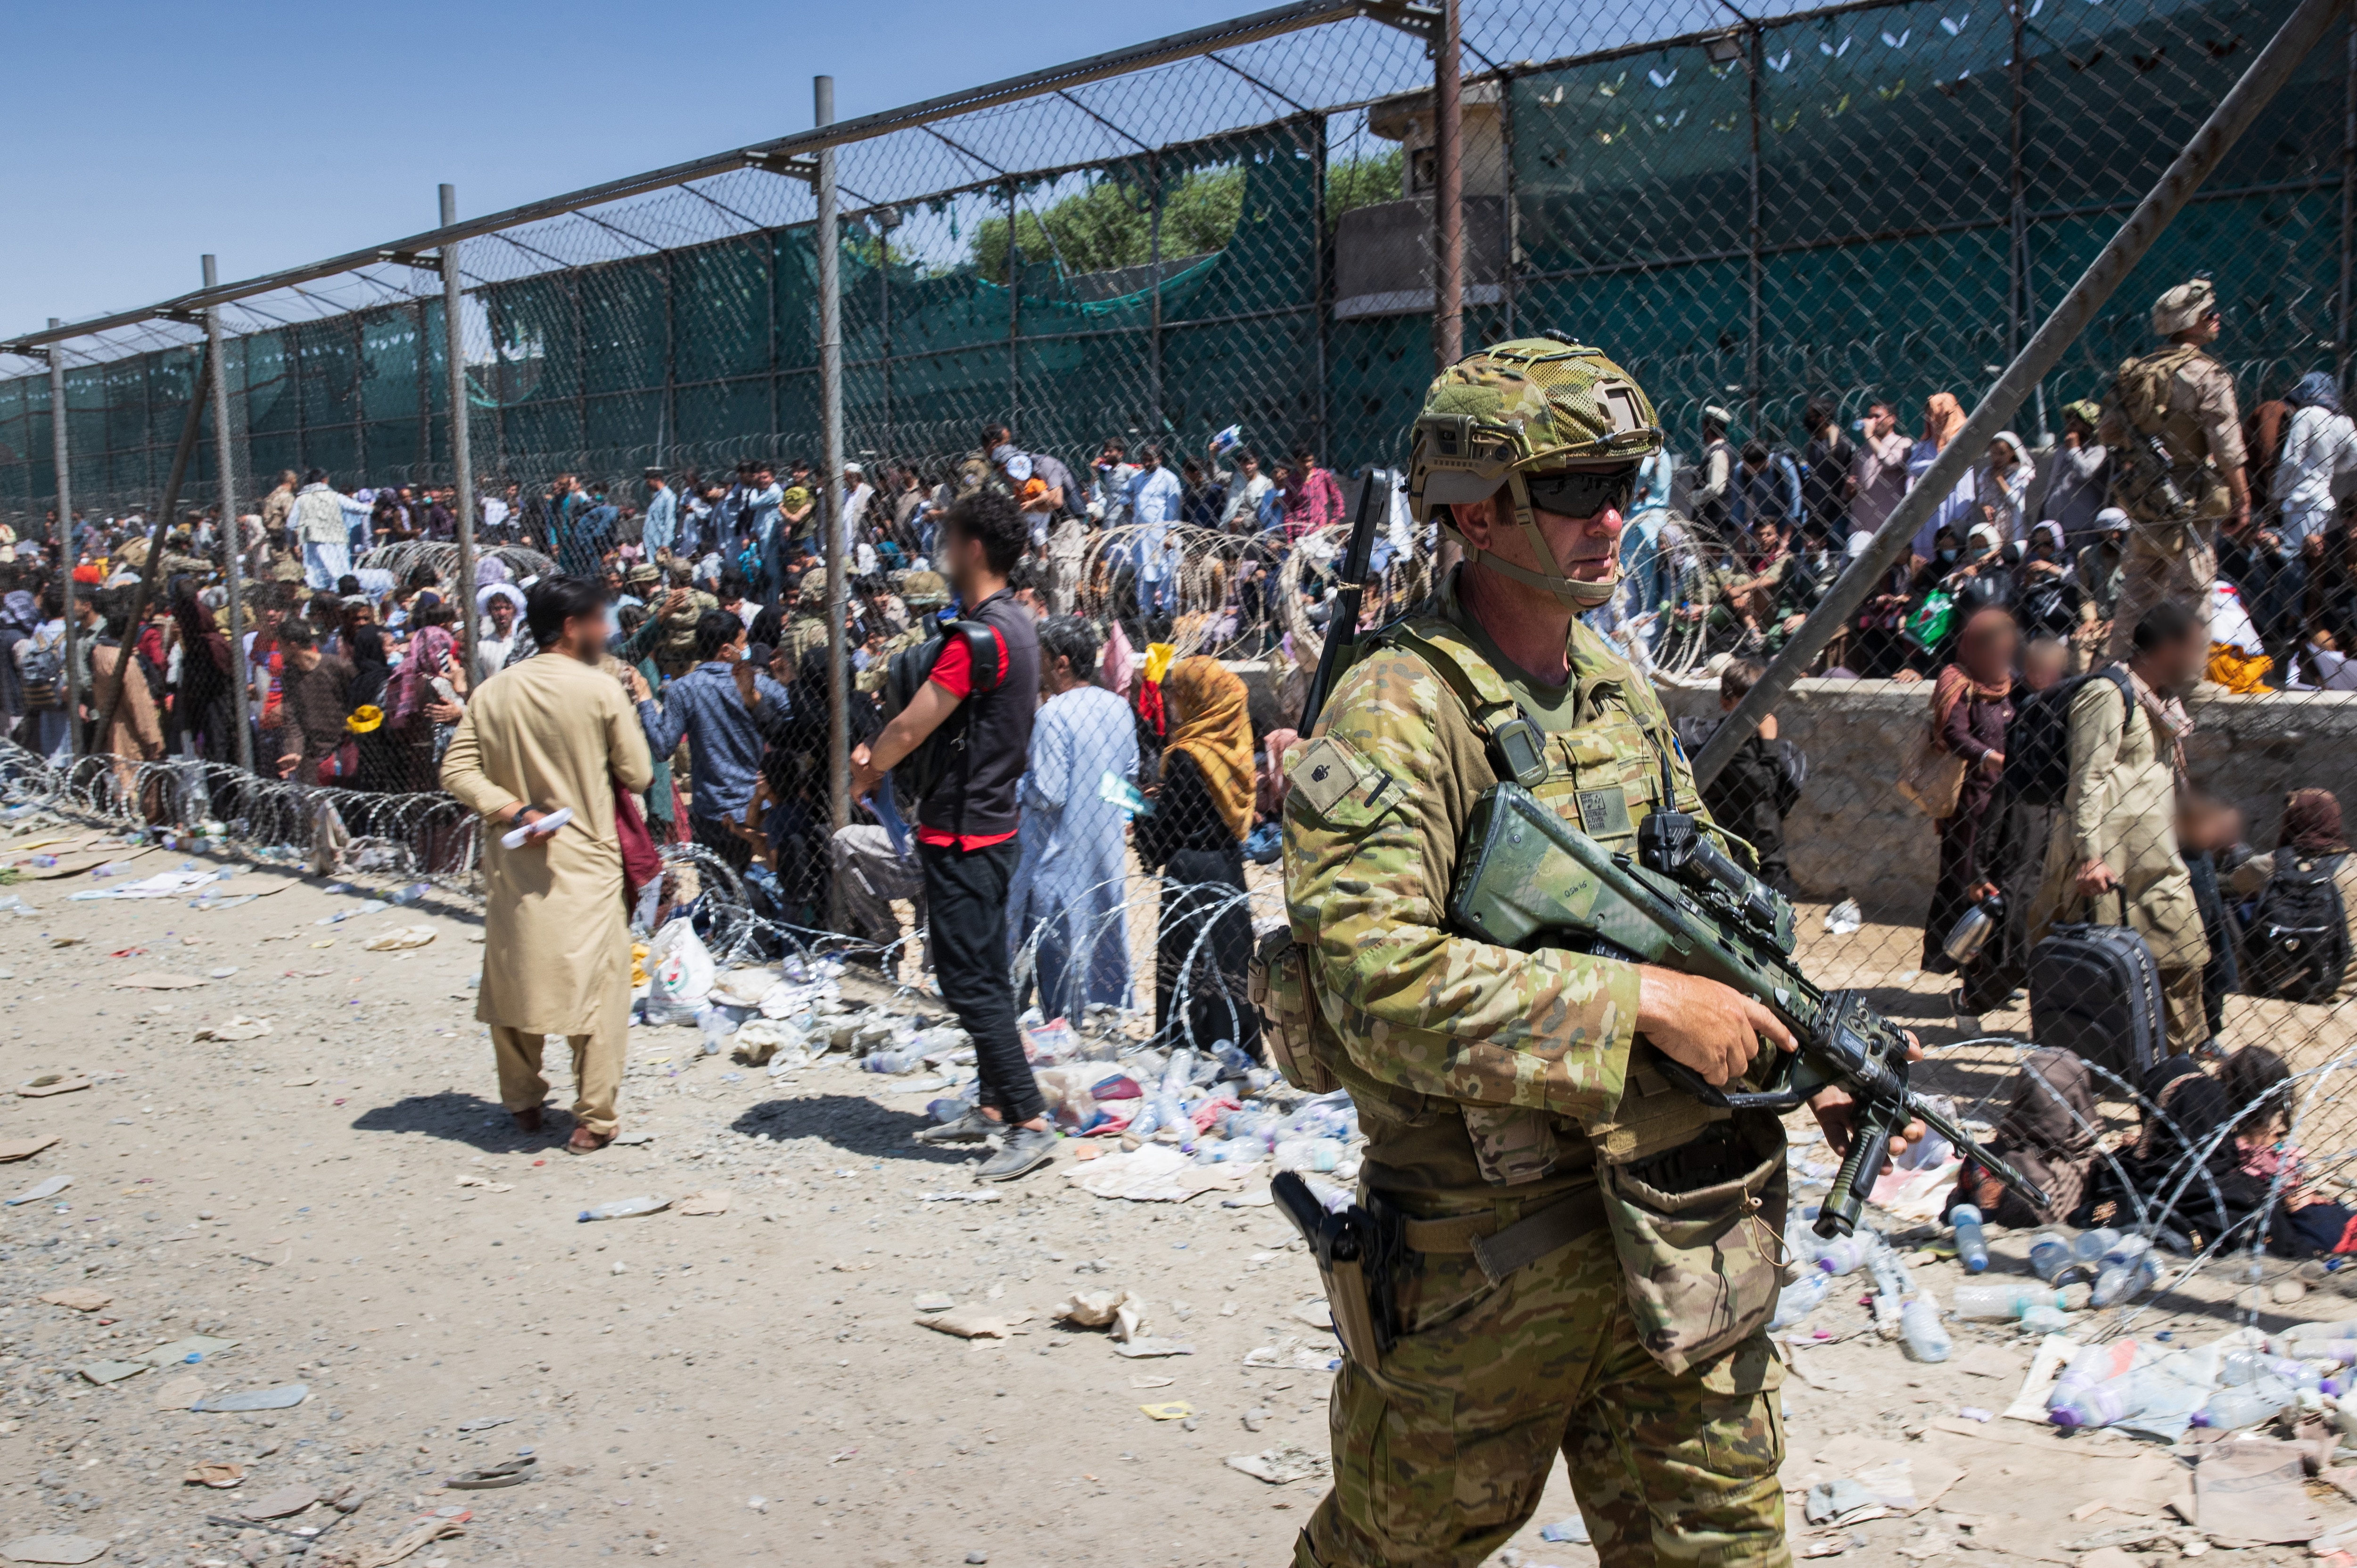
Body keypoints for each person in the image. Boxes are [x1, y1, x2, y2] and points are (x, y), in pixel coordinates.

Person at [1280, 337, 1902, 1566]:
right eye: (1572, 488)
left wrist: (1808, 1039)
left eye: (1627, 478)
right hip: (1487, 1264)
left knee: (1718, 1543)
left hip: (1678, 1228)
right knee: (1395, 1546)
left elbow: (1695, 919)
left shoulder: (1615, 690)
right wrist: (1639, 1007)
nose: (1611, 515)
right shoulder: (1398, 710)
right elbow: (1374, 987)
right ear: (1472, 505)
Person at [849, 489, 1049, 1182]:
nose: (941, 553)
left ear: (971, 548)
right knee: (983, 972)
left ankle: (1027, 1117)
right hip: (992, 826)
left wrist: (868, 769)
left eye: (948, 539)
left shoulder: (977, 639)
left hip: (965, 832)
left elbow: (912, 725)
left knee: (969, 982)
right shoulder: (1016, 624)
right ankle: (994, 1106)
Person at [440, 576, 653, 1155]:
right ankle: (594, 1119)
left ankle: (524, 1103)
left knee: (513, 977)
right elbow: (639, 774)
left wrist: (513, 809)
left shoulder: (493, 692)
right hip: (587, 862)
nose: (607, 631)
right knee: (598, 990)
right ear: (571, 627)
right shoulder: (601, 689)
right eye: (599, 620)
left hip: (517, 861)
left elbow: (456, 771)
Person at [2029, 599, 2214, 1051]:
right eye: (2193, 649)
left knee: (2186, 956)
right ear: (2168, 647)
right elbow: (2086, 781)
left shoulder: (2163, 702)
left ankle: (2177, 1061)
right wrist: (2089, 856)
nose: (2199, 660)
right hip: (2110, 867)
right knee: (2103, 967)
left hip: (2156, 862)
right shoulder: (2109, 695)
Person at [2100, 279, 2250, 660]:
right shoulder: (2206, 374)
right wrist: (2242, 497)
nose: (2217, 319)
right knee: (2193, 587)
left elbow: (2109, 431)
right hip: (2194, 492)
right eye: (2209, 314)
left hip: (2146, 494)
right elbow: (2226, 445)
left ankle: (2119, 666)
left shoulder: (2139, 372)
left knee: (2139, 586)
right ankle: (2189, 677)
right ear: (2191, 322)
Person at [1008, 615, 1137, 1024]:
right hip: (1103, 846)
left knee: (1053, 946)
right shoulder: (1118, 708)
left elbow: (1048, 792)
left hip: (1055, 853)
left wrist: (1009, 789)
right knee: (1099, 935)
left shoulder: (1054, 715)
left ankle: (1058, 1027)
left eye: (1041, 659)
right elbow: (1126, 780)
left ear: (1061, 663)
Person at [1134, 655, 1260, 1060]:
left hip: (1189, 871)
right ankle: (1236, 1045)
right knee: (1229, 961)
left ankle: (1182, 1044)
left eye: (1177, 691)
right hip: (1226, 867)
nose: (1171, 700)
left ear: (1195, 697)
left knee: (1183, 962)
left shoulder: (1189, 755)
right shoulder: (1233, 748)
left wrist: (1142, 822)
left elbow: (1169, 829)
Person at [1955, 635, 2070, 1013]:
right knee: (2010, 932)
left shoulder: (2066, 704)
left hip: (2052, 820)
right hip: (2021, 819)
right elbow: (1992, 824)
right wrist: (1980, 871)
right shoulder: (2024, 710)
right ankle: (1974, 997)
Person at [633, 608, 793, 874]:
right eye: (743, 643)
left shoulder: (683, 690)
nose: (747, 649)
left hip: (712, 811)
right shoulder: (759, 685)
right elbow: (794, 724)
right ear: (726, 650)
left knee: (721, 884)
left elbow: (662, 748)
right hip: (760, 806)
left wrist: (644, 701)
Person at [1922, 605, 2018, 972]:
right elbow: (1954, 735)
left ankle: (1990, 966)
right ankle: (1947, 959)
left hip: (2006, 799)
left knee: (2001, 878)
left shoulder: (2012, 682)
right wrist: (1995, 759)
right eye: (1996, 647)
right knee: (1962, 879)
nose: (2003, 654)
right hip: (1971, 801)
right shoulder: (1957, 680)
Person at [2228, 787, 2357, 1003]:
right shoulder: (2352, 868)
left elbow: (2234, 882)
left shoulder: (2270, 864)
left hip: (2273, 984)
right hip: (2344, 988)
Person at [1946, 1047, 2097, 1229]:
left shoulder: (1986, 1161)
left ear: (2022, 1093)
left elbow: (1951, 1214)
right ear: (2081, 1099)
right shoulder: (2094, 1169)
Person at [1686, 659, 1801, 897]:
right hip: (1737, 855)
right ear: (1726, 704)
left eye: (1766, 702)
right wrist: (1770, 742)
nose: (1761, 712)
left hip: (1766, 855)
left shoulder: (1759, 744)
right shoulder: (1726, 743)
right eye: (1751, 705)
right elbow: (1765, 787)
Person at [2271, 371, 2357, 546]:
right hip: (2323, 501)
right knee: (2312, 557)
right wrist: (2331, 466)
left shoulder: (2307, 415)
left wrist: (2277, 493)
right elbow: (2355, 456)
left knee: (2294, 558)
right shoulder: (2344, 421)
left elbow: (2292, 459)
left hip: (2301, 500)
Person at [263, 618, 354, 782]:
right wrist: (294, 752)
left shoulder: (338, 668)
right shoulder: (290, 677)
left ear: (293, 646)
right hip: (313, 757)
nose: (278, 652)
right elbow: (293, 721)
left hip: (344, 750)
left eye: (280, 646)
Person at [1906, 393, 1978, 558]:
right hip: (1931, 504)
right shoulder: (1926, 444)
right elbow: (1912, 467)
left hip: (1955, 501)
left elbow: (1959, 471)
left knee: (1954, 542)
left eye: (1935, 416)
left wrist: (1936, 467)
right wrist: (1940, 464)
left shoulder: (1963, 440)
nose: (1932, 422)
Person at [2041, 401, 2110, 547]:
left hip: (2081, 525)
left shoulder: (2098, 451)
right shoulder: (2062, 451)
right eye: (2068, 423)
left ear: (2088, 425)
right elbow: (2053, 483)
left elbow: (2085, 474)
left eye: (2074, 424)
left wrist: (2074, 450)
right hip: (2056, 524)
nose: (2068, 429)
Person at [288, 470, 371, 590]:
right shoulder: (335, 497)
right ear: (325, 480)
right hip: (337, 542)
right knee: (340, 574)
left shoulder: (301, 500)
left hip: (313, 544)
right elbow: (358, 509)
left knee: (318, 578)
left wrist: (294, 543)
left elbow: (291, 524)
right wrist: (374, 507)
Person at [1849, 401, 1911, 555]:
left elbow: (1891, 462)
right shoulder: (1863, 451)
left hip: (1890, 525)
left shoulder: (1903, 443)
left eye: (1878, 416)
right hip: (1862, 528)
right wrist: (1849, 486)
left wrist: (1869, 436)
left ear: (1892, 419)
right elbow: (1851, 487)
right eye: (1870, 417)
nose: (1872, 421)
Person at [1976, 430, 2036, 543]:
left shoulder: (2021, 473)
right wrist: (1985, 507)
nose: (1997, 458)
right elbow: (1982, 499)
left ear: (2013, 452)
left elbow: (2014, 500)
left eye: (2002, 453)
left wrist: (1999, 479)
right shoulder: (1987, 474)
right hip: (1992, 526)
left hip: (2013, 526)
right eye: (1993, 454)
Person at [1691, 404, 1735, 531]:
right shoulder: (1720, 450)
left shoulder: (1718, 453)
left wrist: (1695, 496)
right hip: (1713, 520)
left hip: (1714, 520)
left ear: (1706, 427)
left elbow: (1716, 489)